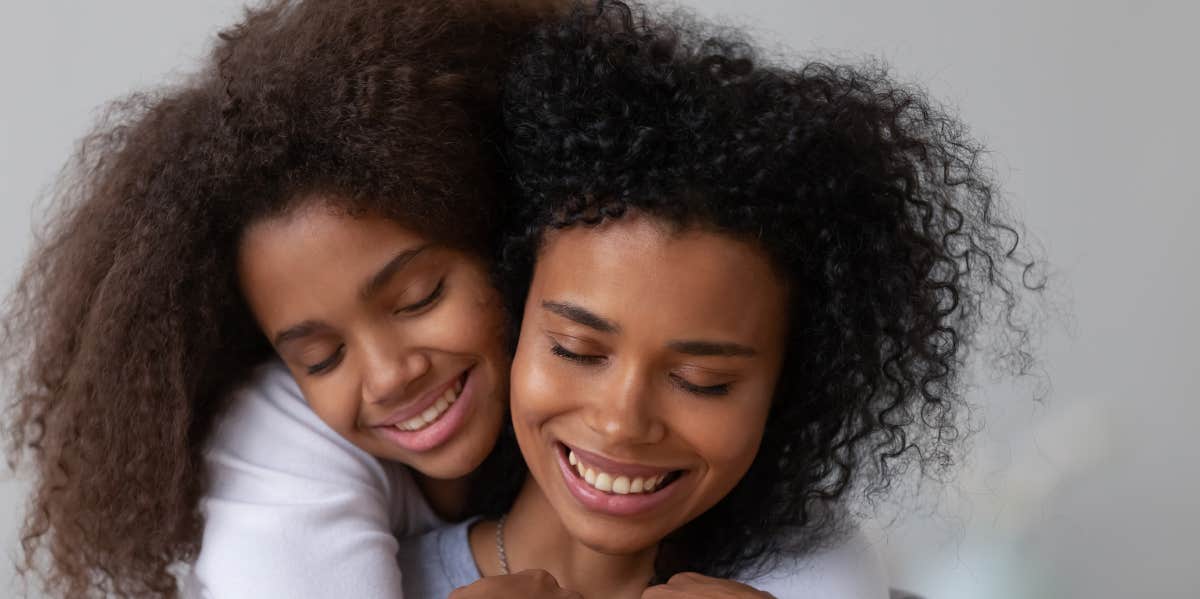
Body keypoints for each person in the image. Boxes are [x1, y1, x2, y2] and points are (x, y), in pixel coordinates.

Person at [394, 1, 1039, 597]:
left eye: (701, 382)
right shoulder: (368, 578)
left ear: (785, 392)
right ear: (510, 321)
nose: (621, 422)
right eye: (575, 349)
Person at [2, 0, 557, 596]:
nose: (389, 376)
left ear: (506, 241)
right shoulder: (279, 433)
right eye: (321, 357)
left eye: (418, 299)